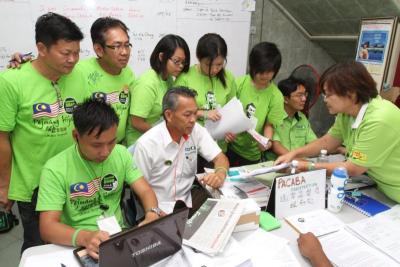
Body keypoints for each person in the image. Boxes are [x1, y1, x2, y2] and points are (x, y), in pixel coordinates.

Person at [0, 12, 85, 252]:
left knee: (71, 241)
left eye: (77, 53)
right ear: (41, 48)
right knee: (38, 245)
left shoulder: (78, 74)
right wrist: (4, 185)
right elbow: (2, 137)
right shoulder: (11, 81)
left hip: (73, 177)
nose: (73, 60)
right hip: (33, 183)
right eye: (66, 53)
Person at [36, 99, 161, 259]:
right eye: (96, 145)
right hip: (77, 243)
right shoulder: (55, 169)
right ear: (76, 136)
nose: (105, 152)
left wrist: (152, 213)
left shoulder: (121, 154)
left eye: (111, 142)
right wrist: (86, 237)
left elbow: (145, 190)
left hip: (117, 237)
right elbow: (47, 228)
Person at [275, 61, 400, 203]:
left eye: (328, 95)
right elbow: (328, 141)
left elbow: (353, 169)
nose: (325, 100)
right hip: (382, 189)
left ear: (351, 94)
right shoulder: (347, 112)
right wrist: (294, 154)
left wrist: (306, 166)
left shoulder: (379, 119)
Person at [134, 87, 229, 211]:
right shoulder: (147, 144)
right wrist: (155, 212)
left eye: (195, 113)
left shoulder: (196, 131)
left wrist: (219, 174)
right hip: (158, 208)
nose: (193, 120)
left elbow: (220, 158)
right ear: (169, 115)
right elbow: (139, 191)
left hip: (188, 201)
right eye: (187, 115)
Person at [71, 17, 134, 144]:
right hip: (90, 149)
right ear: (99, 49)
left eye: (127, 45)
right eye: (117, 46)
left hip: (118, 147)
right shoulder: (78, 71)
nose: (124, 52)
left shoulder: (129, 74)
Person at [174, 33, 236, 153]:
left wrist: (231, 131)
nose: (214, 70)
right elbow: (176, 112)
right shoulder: (185, 78)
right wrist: (203, 113)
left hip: (218, 147)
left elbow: (232, 111)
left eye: (219, 65)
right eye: (208, 64)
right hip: (190, 146)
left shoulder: (228, 78)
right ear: (198, 57)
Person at [125, 34, 190, 146]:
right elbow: (137, 122)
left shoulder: (168, 79)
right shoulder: (147, 83)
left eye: (183, 62)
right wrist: (164, 135)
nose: (180, 66)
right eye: (176, 61)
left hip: (155, 139)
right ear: (161, 57)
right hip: (139, 143)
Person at [227, 42, 285, 166]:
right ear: (253, 66)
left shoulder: (276, 96)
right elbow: (228, 112)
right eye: (261, 71)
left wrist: (266, 141)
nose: (265, 75)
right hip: (229, 145)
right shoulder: (239, 83)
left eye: (269, 72)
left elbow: (269, 125)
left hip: (251, 153)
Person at [270, 77, 317, 159]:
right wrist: (297, 161)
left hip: (300, 166)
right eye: (299, 95)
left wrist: (336, 148)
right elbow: (276, 146)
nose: (304, 99)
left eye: (305, 94)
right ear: (285, 99)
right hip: (278, 165)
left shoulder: (302, 118)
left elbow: (314, 143)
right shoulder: (274, 116)